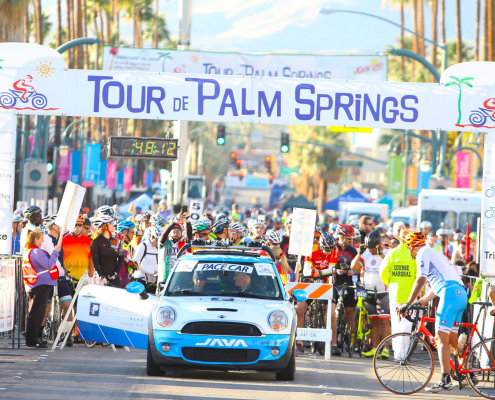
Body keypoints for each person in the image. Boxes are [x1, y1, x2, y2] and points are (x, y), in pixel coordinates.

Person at [400, 231, 467, 393]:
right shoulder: (434, 252)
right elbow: (435, 286)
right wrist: (419, 301)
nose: (409, 250)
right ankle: (466, 371)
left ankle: (445, 380)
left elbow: (420, 280)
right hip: (460, 294)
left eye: (409, 247)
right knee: (451, 339)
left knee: (439, 338)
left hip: (449, 294)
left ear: (414, 246)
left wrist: (407, 304)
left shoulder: (422, 253)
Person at [295, 232, 339, 355]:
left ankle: (334, 343)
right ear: (320, 246)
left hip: (327, 284)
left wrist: (319, 271)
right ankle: (300, 341)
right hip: (312, 283)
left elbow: (331, 269)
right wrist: (313, 272)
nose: (328, 252)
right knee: (299, 309)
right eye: (326, 250)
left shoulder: (334, 249)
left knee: (331, 313)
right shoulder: (311, 249)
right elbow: (306, 269)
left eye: (330, 249)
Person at [351, 230, 390, 358]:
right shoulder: (365, 253)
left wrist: (381, 254)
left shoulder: (385, 253)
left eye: (373, 247)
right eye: (369, 247)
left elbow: (389, 267)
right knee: (373, 321)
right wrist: (359, 254)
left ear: (378, 244)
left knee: (384, 321)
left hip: (383, 292)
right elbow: (353, 267)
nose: (372, 250)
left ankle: (385, 349)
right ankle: (375, 348)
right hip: (369, 291)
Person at [379, 229, 416, 358]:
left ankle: (396, 353)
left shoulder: (392, 253)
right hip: (410, 294)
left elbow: (382, 272)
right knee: (406, 325)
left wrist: (391, 283)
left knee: (395, 324)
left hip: (394, 293)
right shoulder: (413, 254)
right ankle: (402, 355)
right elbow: (419, 275)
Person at [22, 227, 60, 348]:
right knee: (36, 314)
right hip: (39, 286)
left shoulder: (31, 251)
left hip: (36, 285)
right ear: (36, 239)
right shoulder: (36, 252)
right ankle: (32, 340)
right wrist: (55, 252)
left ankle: (34, 338)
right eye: (42, 238)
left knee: (36, 313)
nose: (43, 241)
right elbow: (49, 264)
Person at [43, 214, 74, 346]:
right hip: (49, 276)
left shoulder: (60, 240)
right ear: (54, 226)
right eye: (61, 224)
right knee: (45, 307)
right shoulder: (45, 239)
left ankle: (67, 334)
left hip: (61, 276)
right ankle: (40, 333)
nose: (63, 227)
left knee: (68, 306)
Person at [157, 212, 192, 287]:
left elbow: (189, 236)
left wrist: (188, 221)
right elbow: (164, 234)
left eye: (178, 228)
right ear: (169, 232)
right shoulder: (164, 243)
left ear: (181, 232)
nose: (176, 230)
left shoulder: (184, 244)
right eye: (174, 228)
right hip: (164, 280)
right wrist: (175, 221)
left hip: (181, 280)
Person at [90, 215, 124, 287]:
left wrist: (116, 273)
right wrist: (102, 276)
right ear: (105, 225)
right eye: (111, 222)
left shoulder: (116, 241)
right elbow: (95, 262)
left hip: (115, 279)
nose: (114, 224)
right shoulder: (96, 242)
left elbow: (121, 260)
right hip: (101, 279)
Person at [62, 215, 94, 282]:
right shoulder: (63, 240)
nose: (77, 227)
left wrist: (91, 275)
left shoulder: (88, 241)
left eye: (79, 225)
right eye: (75, 224)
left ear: (82, 226)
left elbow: (91, 258)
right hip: (68, 279)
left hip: (84, 279)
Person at [134, 226, 162, 293]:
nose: (158, 243)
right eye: (156, 240)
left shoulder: (158, 247)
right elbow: (135, 263)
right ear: (152, 237)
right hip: (142, 280)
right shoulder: (143, 246)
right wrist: (151, 271)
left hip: (154, 281)